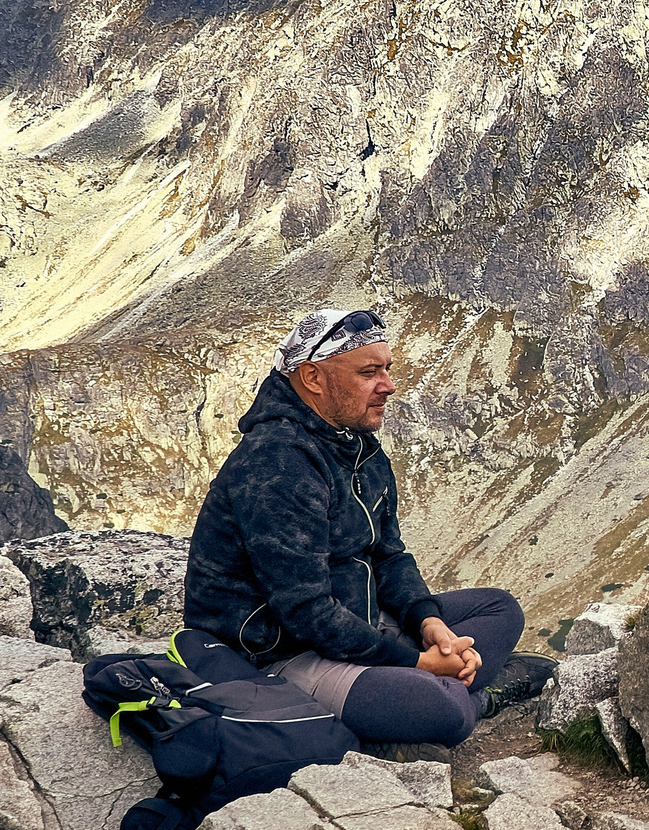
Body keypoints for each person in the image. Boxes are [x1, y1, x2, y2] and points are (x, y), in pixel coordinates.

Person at [183, 307, 555, 749]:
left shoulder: (356, 446)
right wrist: (417, 662)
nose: (388, 385)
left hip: (358, 619)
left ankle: (436, 688)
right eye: (368, 372)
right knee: (445, 709)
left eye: (387, 369)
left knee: (500, 608)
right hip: (279, 654)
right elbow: (305, 611)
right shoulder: (277, 462)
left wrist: (429, 622)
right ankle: (474, 699)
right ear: (313, 377)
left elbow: (388, 555)